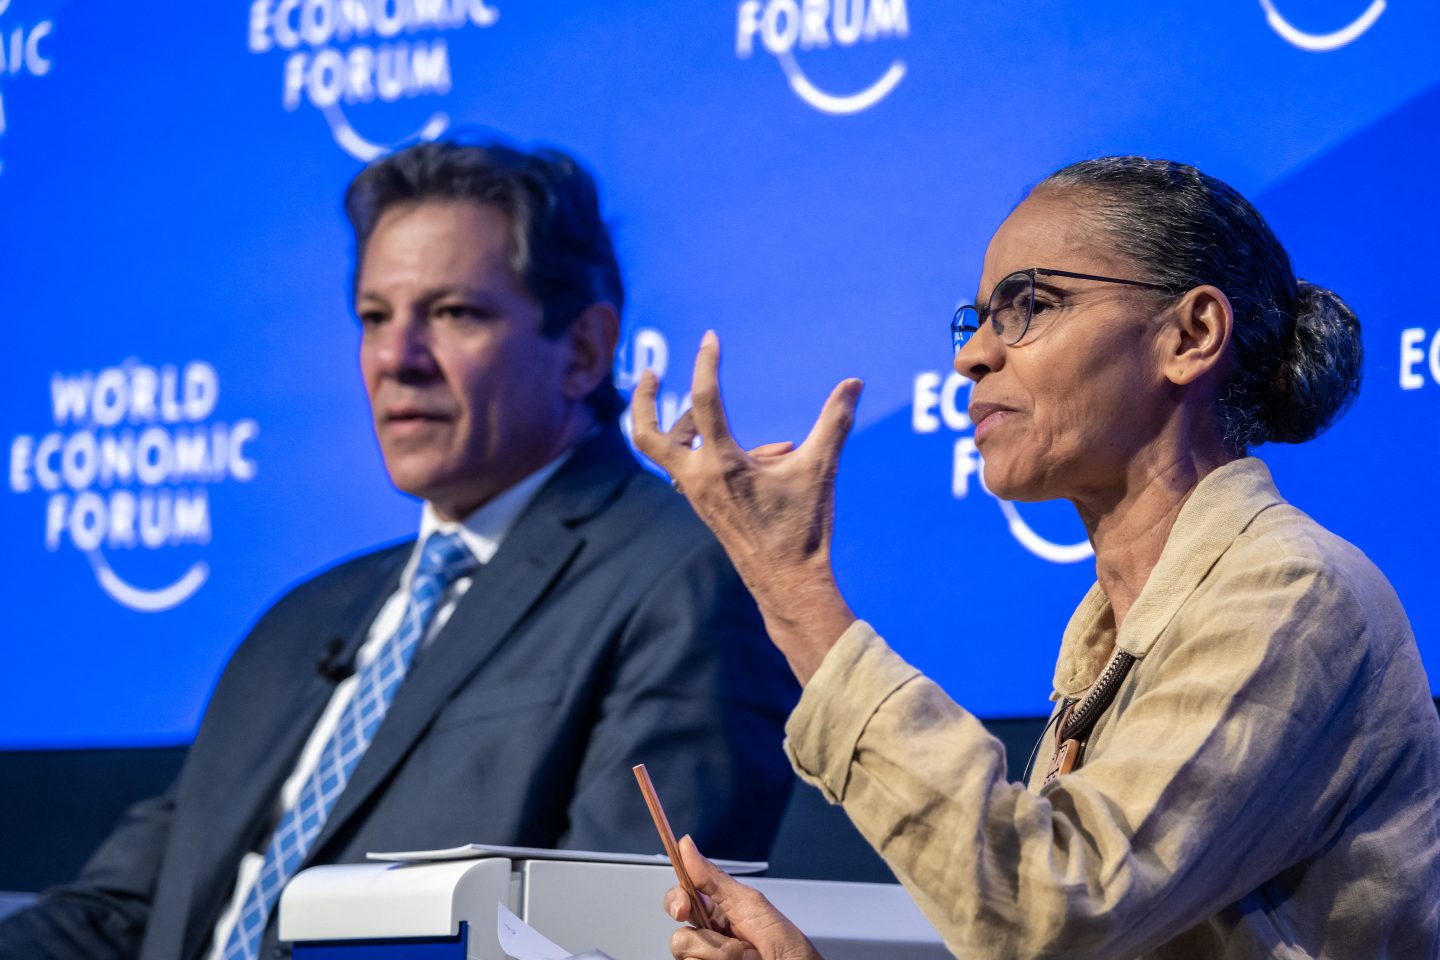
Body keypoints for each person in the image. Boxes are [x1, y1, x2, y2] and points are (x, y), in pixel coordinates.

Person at [0, 139, 798, 960]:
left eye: (453, 314)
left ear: (585, 350)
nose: (396, 359)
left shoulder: (683, 576)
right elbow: (121, 913)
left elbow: (625, 934)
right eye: (375, 318)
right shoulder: (304, 619)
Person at [634, 157, 1440, 959]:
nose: (972, 356)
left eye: (1029, 305)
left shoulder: (1292, 594)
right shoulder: (1111, 634)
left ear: (1190, 335)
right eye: (977, 318)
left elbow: (1050, 910)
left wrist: (794, 588)